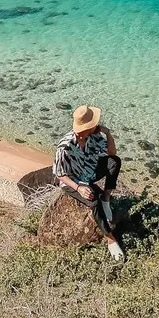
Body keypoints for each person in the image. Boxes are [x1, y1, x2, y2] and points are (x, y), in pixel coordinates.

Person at [53, 105, 125, 260]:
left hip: (89, 173)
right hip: (74, 181)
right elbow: (60, 175)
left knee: (114, 162)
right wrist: (78, 188)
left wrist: (108, 133)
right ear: (86, 127)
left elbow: (112, 153)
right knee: (93, 202)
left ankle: (106, 197)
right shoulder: (64, 147)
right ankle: (110, 239)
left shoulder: (93, 136)